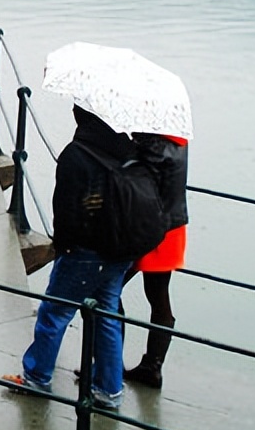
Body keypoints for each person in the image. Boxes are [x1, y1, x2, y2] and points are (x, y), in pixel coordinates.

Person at [12, 107, 147, 410]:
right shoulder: (128, 149)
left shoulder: (76, 154)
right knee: (107, 316)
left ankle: (36, 376)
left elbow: (66, 211)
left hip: (84, 252)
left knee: (54, 313)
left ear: (81, 116)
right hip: (120, 252)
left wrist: (64, 248)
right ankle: (109, 390)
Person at [122, 134, 189, 389]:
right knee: (159, 297)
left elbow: (134, 179)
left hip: (148, 229)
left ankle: (109, 363)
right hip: (173, 227)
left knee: (106, 289)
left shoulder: (153, 147)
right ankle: (152, 367)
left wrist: (131, 147)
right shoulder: (180, 141)